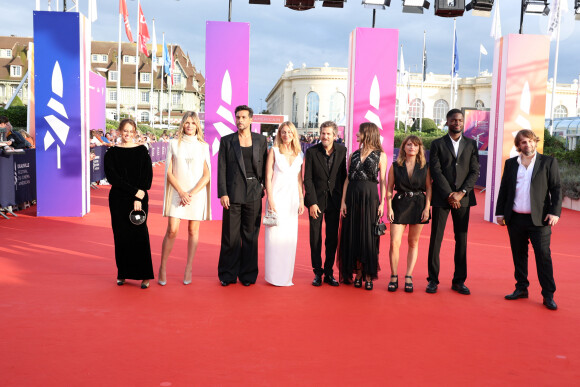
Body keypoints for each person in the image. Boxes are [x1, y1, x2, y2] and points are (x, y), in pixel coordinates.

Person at [495, 129, 562, 310]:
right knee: (519, 255)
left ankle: (548, 295)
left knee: (543, 257)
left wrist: (555, 212)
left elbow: (556, 188)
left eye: (531, 141)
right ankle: (521, 288)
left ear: (536, 142)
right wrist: (499, 212)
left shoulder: (548, 162)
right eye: (524, 142)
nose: (528, 145)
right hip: (515, 218)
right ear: (518, 146)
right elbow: (504, 190)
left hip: (539, 220)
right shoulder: (510, 164)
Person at [426, 109, 480, 295]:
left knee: (461, 240)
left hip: (463, 199)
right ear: (447, 122)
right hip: (442, 197)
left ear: (463, 122)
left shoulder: (472, 144)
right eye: (453, 120)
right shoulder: (437, 144)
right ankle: (432, 280)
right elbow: (435, 170)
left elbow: (475, 171)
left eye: (459, 120)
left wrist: (461, 193)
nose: (457, 123)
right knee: (436, 239)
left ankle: (459, 281)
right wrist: (451, 194)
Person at [158, 112, 211, 286]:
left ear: (197, 126)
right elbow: (168, 171)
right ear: (182, 125)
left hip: (195, 194)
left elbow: (206, 175)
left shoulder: (203, 146)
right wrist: (181, 192)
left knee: (192, 231)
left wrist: (192, 193)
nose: (189, 126)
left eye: (193, 123)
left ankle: (188, 267)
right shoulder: (173, 144)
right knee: (172, 230)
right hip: (177, 191)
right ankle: (163, 267)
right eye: (186, 122)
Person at [217, 105, 268, 286]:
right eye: (238, 117)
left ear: (251, 119)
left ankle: (247, 275)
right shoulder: (227, 141)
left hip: (254, 192)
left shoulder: (261, 140)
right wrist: (223, 192)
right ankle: (227, 274)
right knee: (230, 237)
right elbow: (221, 168)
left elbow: (265, 166)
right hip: (232, 193)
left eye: (244, 117)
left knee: (250, 235)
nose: (240, 120)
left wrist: (263, 186)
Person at [104, 119, 154, 289]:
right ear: (119, 131)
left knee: (140, 236)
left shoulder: (142, 151)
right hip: (118, 200)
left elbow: (146, 178)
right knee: (121, 236)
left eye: (131, 131)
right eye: (125, 131)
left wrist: (137, 197)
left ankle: (145, 275)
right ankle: (123, 273)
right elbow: (113, 178)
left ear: (135, 132)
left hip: (138, 200)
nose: (127, 134)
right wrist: (133, 192)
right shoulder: (112, 153)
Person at [338, 122, 387, 290]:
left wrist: (382, 203)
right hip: (352, 197)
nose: (357, 134)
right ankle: (357, 272)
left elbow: (383, 181)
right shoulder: (353, 154)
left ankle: (368, 274)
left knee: (368, 237)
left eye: (360, 132)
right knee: (353, 235)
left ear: (368, 133)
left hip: (370, 198)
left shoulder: (381, 155)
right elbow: (347, 178)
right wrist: (343, 201)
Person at [303, 121, 347, 286]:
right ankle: (317, 272)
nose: (325, 136)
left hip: (334, 201)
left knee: (332, 238)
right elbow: (307, 179)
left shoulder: (342, 151)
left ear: (335, 135)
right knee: (315, 237)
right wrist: (312, 202)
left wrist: (343, 201)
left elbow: (344, 178)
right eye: (323, 133)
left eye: (328, 134)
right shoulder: (312, 151)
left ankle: (329, 272)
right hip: (317, 201)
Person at [386, 135, 432, 293]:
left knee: (413, 242)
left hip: (418, 205)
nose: (412, 147)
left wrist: (427, 208)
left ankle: (408, 276)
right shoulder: (395, 166)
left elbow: (429, 188)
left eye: (416, 145)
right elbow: (389, 188)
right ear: (403, 147)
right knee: (394, 242)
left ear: (420, 149)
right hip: (399, 205)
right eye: (409, 144)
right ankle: (393, 275)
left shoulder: (425, 166)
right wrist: (389, 208)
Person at [264, 122, 305, 286]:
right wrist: (270, 198)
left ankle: (286, 276)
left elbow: (299, 179)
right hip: (277, 198)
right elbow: (267, 176)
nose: (286, 135)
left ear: (294, 134)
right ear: (279, 134)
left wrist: (301, 199)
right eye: (283, 132)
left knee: (289, 238)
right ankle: (273, 276)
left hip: (292, 200)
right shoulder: (273, 151)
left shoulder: (299, 154)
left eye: (289, 132)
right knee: (274, 238)